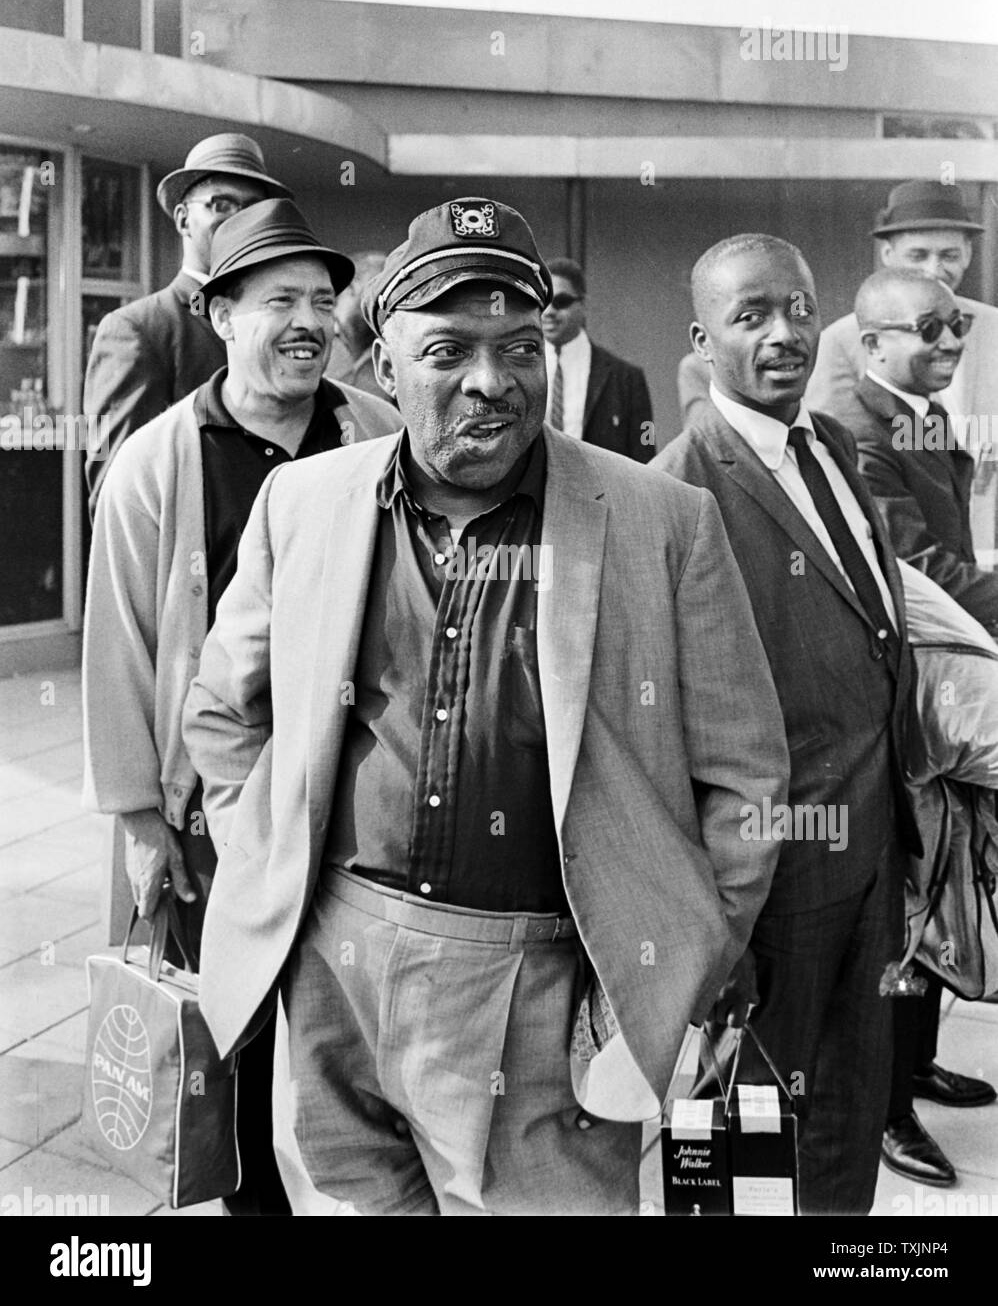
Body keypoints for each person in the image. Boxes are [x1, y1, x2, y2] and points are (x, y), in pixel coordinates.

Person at [182, 197, 789, 1216]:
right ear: (382, 367)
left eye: (521, 346)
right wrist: (272, 862)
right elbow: (224, 711)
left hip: (547, 983)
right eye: (449, 350)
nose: (491, 381)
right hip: (334, 965)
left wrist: (673, 959)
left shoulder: (662, 520)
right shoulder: (304, 503)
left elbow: (746, 778)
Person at [81, 199, 403, 1216]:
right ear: (218, 312)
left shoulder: (377, 432)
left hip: (357, 796)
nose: (306, 320)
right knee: (242, 1041)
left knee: (348, 1035)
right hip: (217, 811)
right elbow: (119, 647)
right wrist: (139, 819)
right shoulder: (156, 462)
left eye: (321, 299)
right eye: (277, 301)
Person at [656, 233, 920, 1216]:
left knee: (847, 1113)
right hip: (766, 873)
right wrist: (708, 908)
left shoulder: (833, 445)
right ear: (701, 337)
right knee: (730, 1132)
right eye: (750, 315)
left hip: (866, 850)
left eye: (799, 309)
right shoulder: (682, 484)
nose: (784, 334)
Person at [822, 266, 997, 1186]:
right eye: (926, 329)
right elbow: (910, 566)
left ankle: (915, 1066)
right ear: (872, 337)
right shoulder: (857, 424)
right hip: (898, 697)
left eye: (955, 328)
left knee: (943, 877)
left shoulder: (917, 414)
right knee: (908, 903)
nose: (947, 344)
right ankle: (886, 1110)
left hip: (942, 681)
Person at [83, 133, 292, 518]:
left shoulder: (281, 323)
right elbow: (116, 494)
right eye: (222, 204)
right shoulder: (139, 329)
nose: (239, 221)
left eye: (253, 209)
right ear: (183, 218)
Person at [806, 180, 998, 560]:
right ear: (888, 255)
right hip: (906, 554)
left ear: (969, 254)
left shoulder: (993, 329)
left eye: (948, 255)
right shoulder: (842, 341)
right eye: (918, 255)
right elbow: (838, 461)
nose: (934, 270)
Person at [541, 256, 654, 461]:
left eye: (561, 302)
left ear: (583, 305)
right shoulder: (520, 368)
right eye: (543, 301)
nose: (549, 312)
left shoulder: (626, 377)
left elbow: (646, 445)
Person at [327, 250, 388, 401]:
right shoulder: (317, 336)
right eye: (381, 288)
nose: (389, 301)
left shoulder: (391, 352)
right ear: (352, 287)